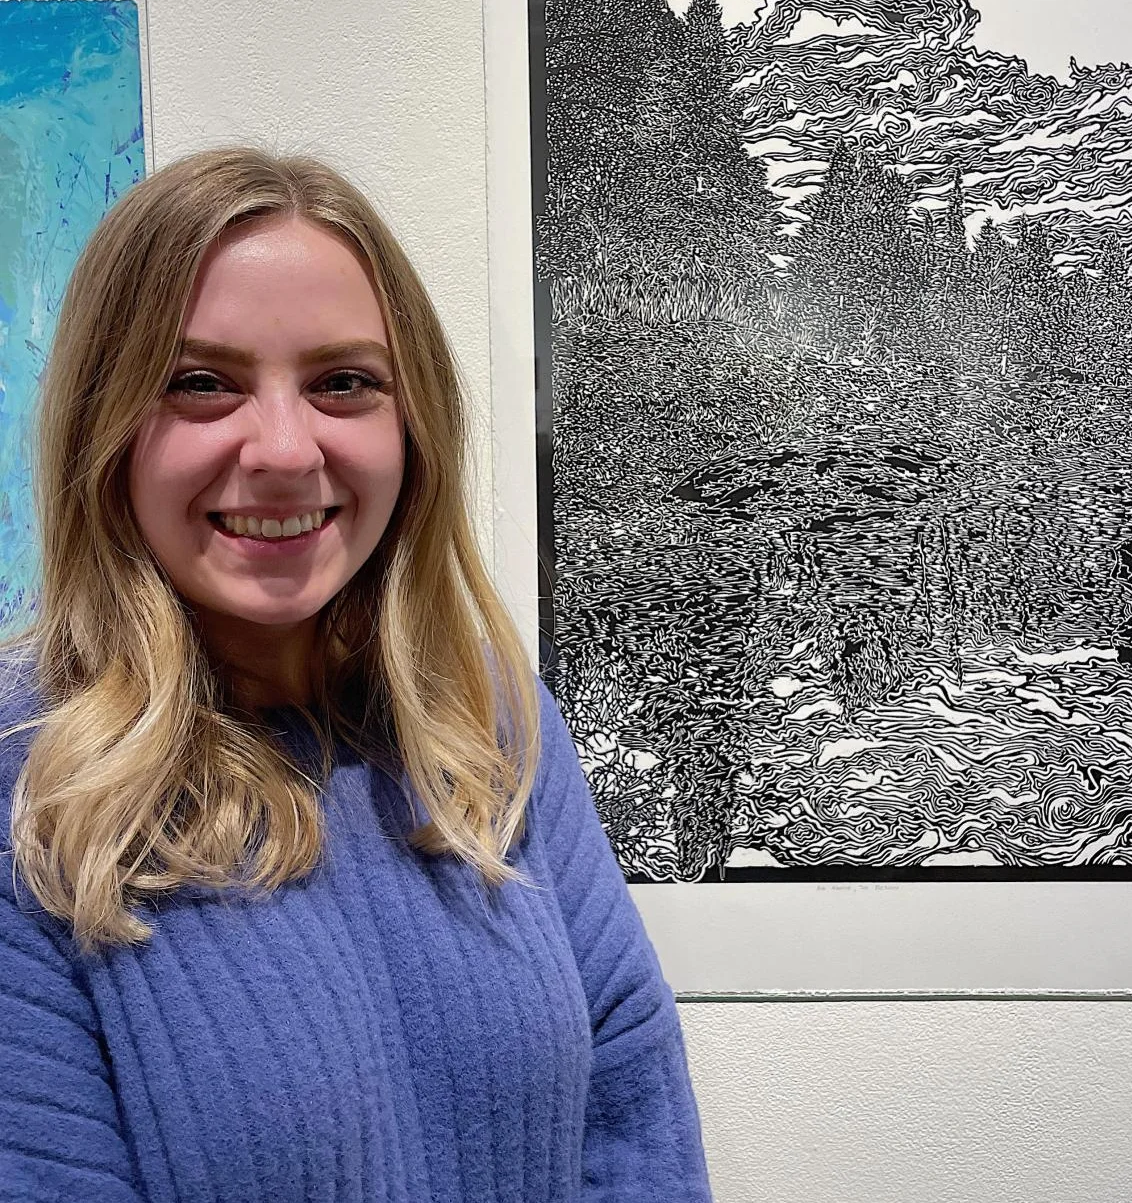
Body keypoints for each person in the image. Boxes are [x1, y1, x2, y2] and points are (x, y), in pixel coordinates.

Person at [0, 148, 713, 1201]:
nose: (286, 449)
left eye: (344, 382)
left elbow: (634, 1122)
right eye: (201, 384)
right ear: (105, 429)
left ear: (410, 423)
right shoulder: (30, 784)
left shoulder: (490, 717)